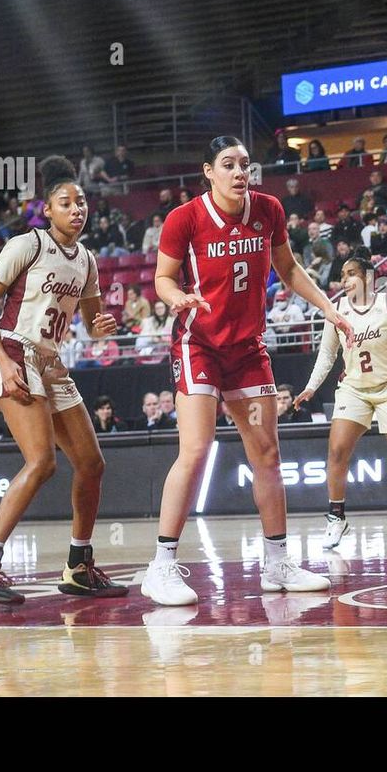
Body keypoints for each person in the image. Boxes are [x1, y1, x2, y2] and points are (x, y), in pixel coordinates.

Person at [141, 136, 355, 606]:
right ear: (208, 172)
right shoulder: (185, 218)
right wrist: (176, 298)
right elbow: (162, 277)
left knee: (268, 455)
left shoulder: (269, 210)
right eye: (228, 164)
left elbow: (290, 268)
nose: (240, 172)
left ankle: (277, 562)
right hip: (199, 344)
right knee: (196, 449)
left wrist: (329, 309)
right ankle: (161, 565)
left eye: (245, 164)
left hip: (247, 348)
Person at [0, 155, 127, 604]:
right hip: (14, 351)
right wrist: (3, 360)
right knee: (42, 461)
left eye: (82, 202)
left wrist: (101, 327)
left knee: (91, 464)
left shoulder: (88, 260)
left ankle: (78, 565)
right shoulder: (26, 244)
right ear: (47, 210)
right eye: (65, 202)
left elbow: (92, 324)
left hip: (52, 362)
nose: (77, 208)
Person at [295, 256, 387, 546]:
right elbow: (327, 355)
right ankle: (336, 518)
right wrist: (311, 388)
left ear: (368, 277)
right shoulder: (336, 310)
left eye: (351, 274)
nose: (345, 280)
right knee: (337, 451)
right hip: (354, 389)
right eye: (342, 274)